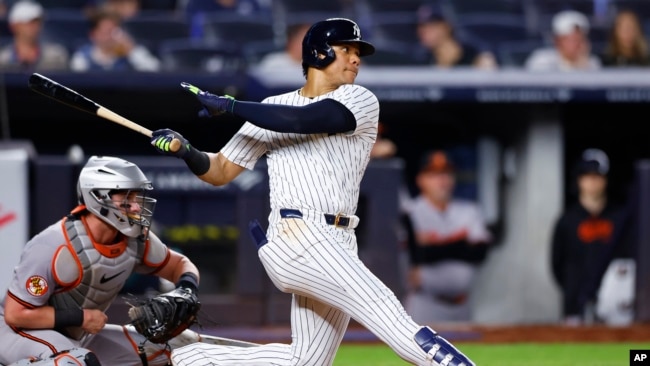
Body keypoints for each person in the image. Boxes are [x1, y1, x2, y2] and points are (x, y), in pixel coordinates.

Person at [150, 17, 475, 366]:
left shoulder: (358, 100)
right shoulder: (271, 110)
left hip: (339, 241)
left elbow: (302, 120)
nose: (355, 59)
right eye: (346, 50)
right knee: (391, 317)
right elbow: (219, 171)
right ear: (319, 53)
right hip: (298, 237)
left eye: (358, 52)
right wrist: (187, 151)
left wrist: (230, 106)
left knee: (306, 362)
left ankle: (187, 357)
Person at [0, 155, 202, 365]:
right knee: (76, 362)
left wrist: (187, 289)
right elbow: (16, 315)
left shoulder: (137, 239)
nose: (135, 207)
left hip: (81, 335)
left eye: (136, 198)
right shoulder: (52, 245)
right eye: (126, 198)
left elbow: (180, 265)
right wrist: (80, 317)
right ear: (98, 197)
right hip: (17, 334)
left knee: (176, 351)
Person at [402, 150, 492, 323]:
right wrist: (461, 244)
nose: (442, 180)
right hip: (424, 304)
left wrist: (432, 247)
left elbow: (479, 252)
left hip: (462, 305)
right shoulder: (410, 212)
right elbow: (415, 255)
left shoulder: (469, 211)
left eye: (447, 174)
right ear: (420, 180)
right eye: (434, 175)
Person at [550, 148, 632, 326]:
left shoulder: (620, 218)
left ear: (605, 179)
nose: (592, 182)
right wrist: (573, 289)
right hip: (575, 304)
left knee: (626, 353)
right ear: (579, 180)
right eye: (587, 176)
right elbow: (556, 264)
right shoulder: (567, 220)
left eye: (597, 176)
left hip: (614, 306)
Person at [69, 7, 160, 72]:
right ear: (93, 34)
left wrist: (131, 51)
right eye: (106, 32)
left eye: (113, 31)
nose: (110, 37)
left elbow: (154, 70)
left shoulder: (131, 52)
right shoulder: (82, 57)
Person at [414, 2, 497, 69]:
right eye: (420, 25)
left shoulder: (474, 56)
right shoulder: (423, 60)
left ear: (447, 26)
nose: (422, 31)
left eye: (431, 25)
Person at [0, 0, 69, 71]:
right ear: (14, 26)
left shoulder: (56, 57)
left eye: (37, 22)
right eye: (28, 22)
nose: (34, 26)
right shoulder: (2, 59)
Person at [525, 9, 602, 71]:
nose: (578, 44)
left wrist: (582, 66)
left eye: (581, 38)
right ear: (557, 41)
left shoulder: (592, 62)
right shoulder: (541, 60)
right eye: (572, 39)